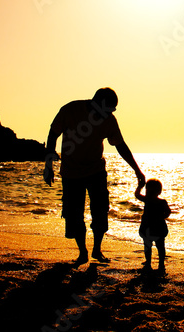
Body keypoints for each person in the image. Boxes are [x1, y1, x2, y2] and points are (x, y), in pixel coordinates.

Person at [43, 87, 145, 265]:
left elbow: (120, 145)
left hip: (96, 171)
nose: (110, 113)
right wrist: (48, 165)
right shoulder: (70, 109)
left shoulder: (109, 121)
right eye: (109, 109)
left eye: (112, 110)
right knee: (74, 215)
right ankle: (82, 252)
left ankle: (97, 249)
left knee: (100, 211)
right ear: (97, 103)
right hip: (71, 172)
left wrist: (137, 170)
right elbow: (53, 134)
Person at [135, 178, 171, 274]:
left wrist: (139, 186)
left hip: (151, 227)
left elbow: (137, 195)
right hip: (155, 227)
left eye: (149, 189)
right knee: (159, 246)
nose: (148, 192)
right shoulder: (160, 201)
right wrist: (162, 217)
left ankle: (153, 264)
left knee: (150, 246)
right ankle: (158, 264)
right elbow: (168, 212)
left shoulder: (149, 200)